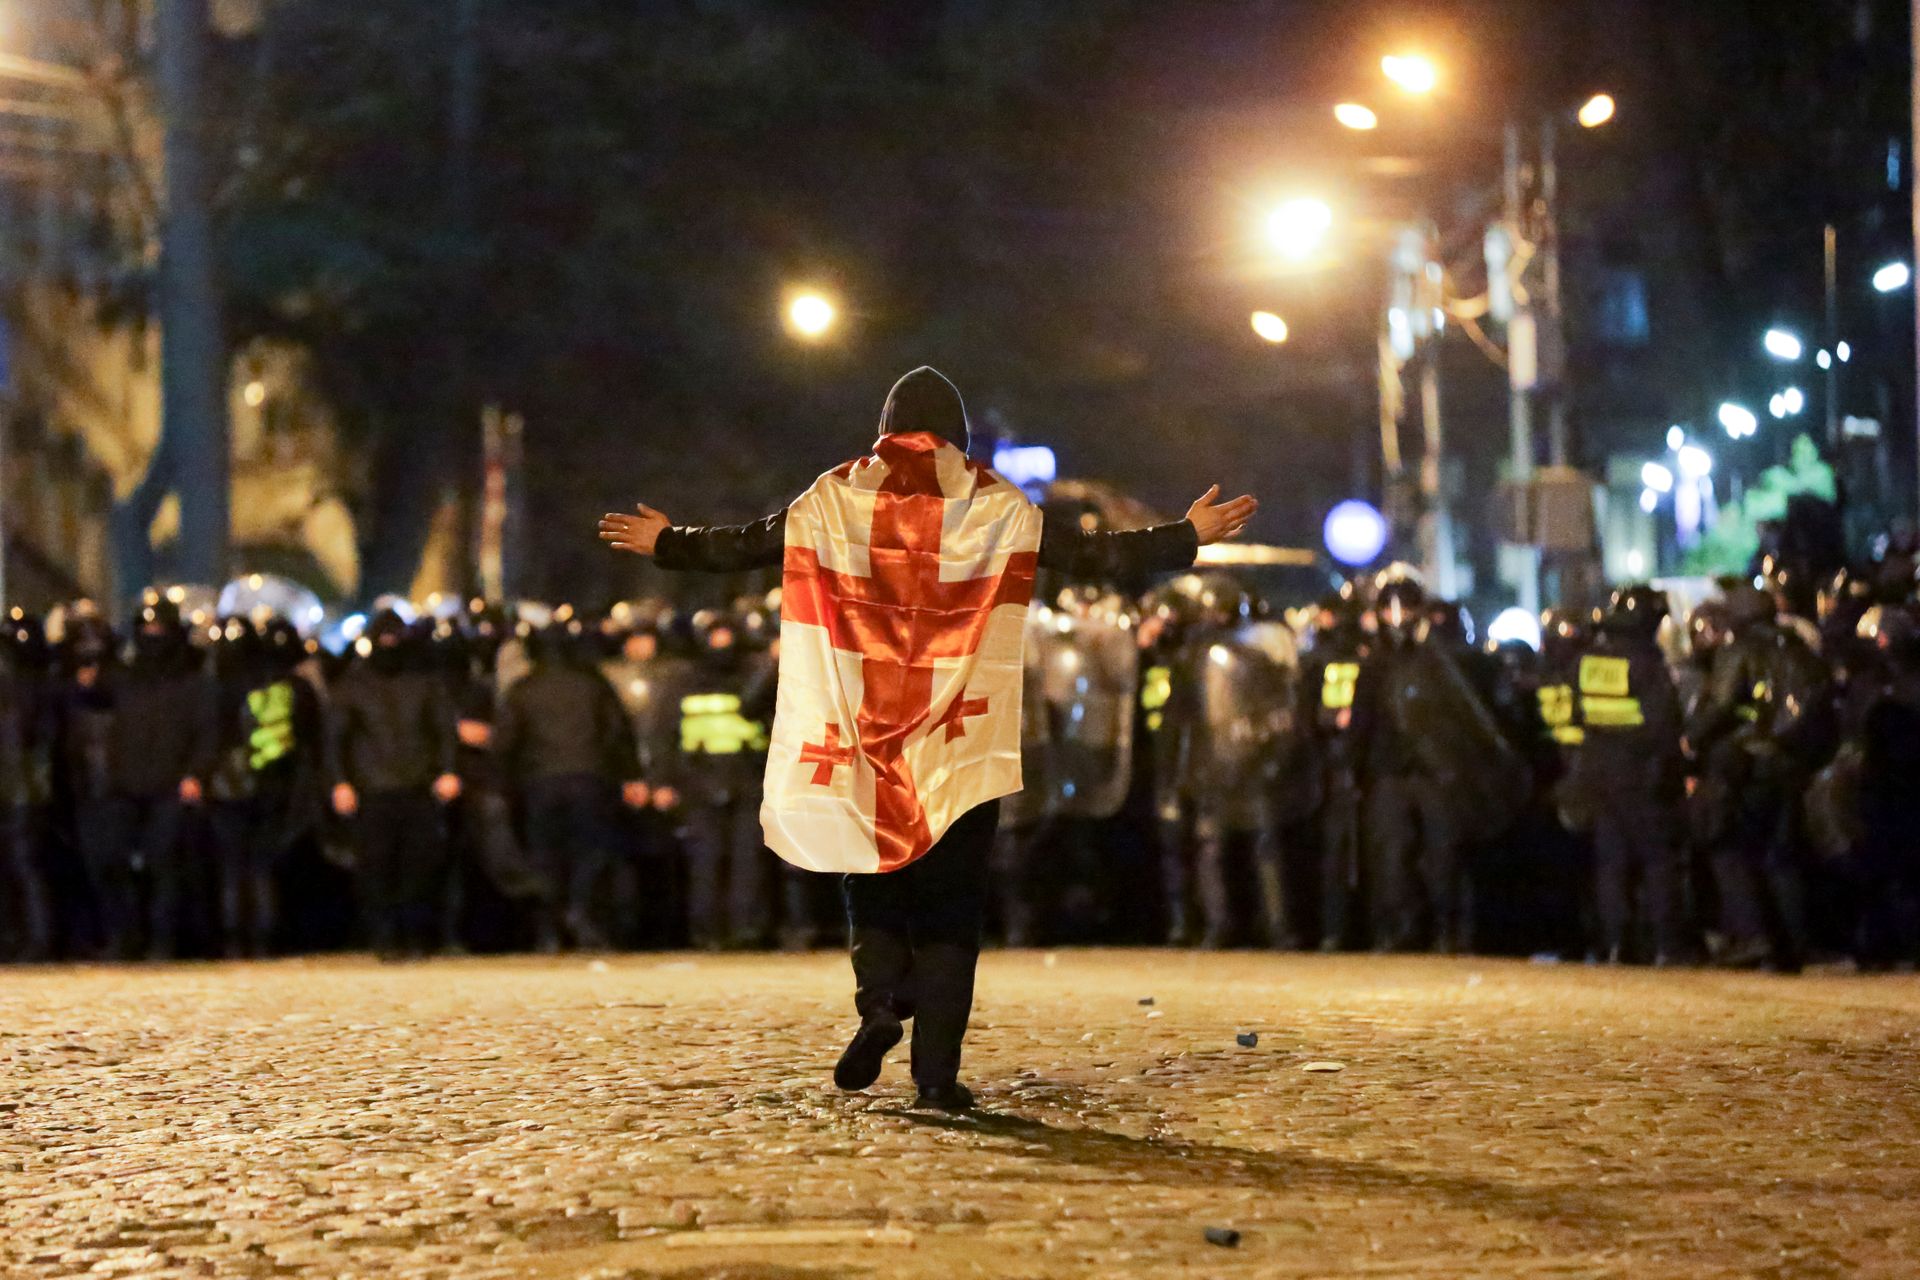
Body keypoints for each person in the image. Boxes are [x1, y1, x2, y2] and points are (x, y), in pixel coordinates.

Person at [600, 365, 1252, 1109]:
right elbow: (1095, 555)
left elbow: (745, 545)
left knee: (866, 869)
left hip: (863, 729)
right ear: (959, 433)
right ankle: (937, 1079)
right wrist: (1185, 536)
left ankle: (879, 1002)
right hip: (958, 735)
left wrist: (668, 543)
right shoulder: (997, 504)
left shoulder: (834, 494)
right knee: (951, 905)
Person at [1686, 584, 1834, 971]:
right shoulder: (1796, 646)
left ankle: (1752, 937)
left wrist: (1691, 739)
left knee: (1732, 848)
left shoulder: (1741, 649)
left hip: (1752, 761)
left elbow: (1722, 704)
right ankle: (1793, 947)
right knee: (1782, 856)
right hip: (1793, 761)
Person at [494, 614, 646, 951]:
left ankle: (550, 929)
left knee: (546, 856)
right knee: (590, 854)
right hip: (590, 779)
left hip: (540, 783)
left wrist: (506, 785)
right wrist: (630, 775)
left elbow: (506, 742)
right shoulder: (594, 685)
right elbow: (617, 733)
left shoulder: (523, 689)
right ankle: (582, 916)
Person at [328, 609, 462, 959]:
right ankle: (386, 937)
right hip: (374, 788)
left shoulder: (424, 681)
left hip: (416, 785)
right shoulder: (355, 684)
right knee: (377, 868)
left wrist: (447, 771)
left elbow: (442, 730)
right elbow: (337, 737)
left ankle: (413, 936)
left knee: (418, 867)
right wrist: (341, 781)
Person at [1574, 586, 1685, 964]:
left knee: (1612, 864)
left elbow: (1579, 716)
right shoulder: (1646, 663)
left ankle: (1617, 944)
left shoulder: (1588, 660)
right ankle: (1666, 946)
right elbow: (1663, 726)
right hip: (1640, 777)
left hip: (1598, 776)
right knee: (1657, 862)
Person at [206, 616, 323, 958]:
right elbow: (308, 739)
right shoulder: (286, 685)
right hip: (271, 783)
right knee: (260, 867)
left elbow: (209, 738)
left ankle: (237, 941)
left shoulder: (218, 685)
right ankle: (262, 939)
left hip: (231, 786)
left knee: (235, 868)